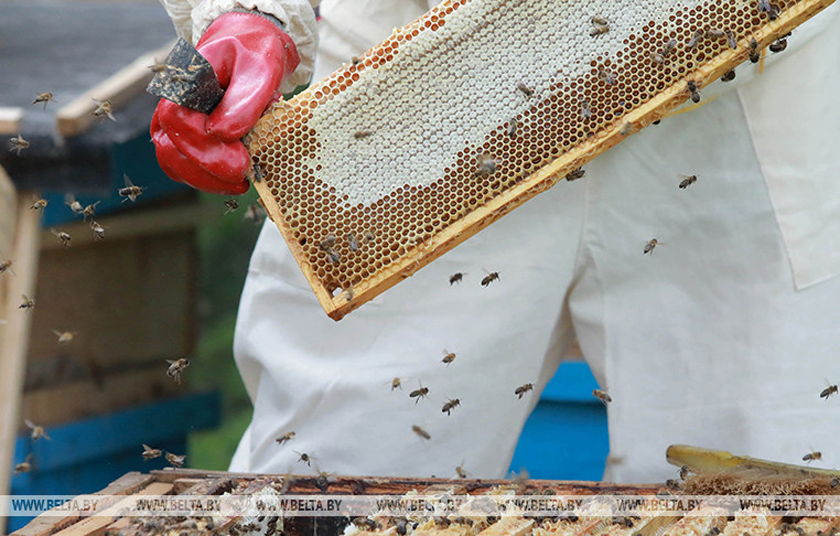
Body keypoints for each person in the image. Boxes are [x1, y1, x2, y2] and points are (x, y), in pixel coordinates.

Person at [152, 0, 840, 483]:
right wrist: (242, 14)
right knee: (329, 481)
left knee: (764, 485)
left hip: (745, 95)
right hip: (419, 88)